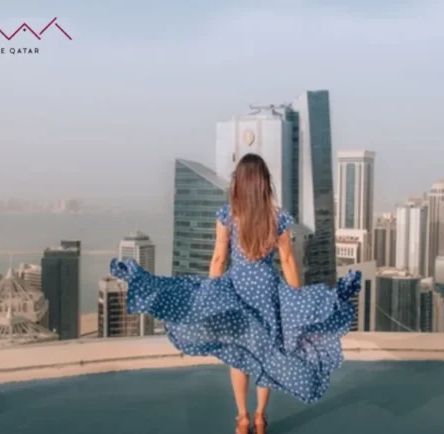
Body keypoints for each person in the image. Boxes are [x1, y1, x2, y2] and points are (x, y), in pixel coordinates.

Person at [110, 153, 361, 434]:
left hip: (237, 292)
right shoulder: (277, 217)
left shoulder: (228, 215)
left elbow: (218, 259)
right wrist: (297, 299)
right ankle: (259, 418)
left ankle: (241, 418)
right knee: (269, 353)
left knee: (239, 352)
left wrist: (208, 298)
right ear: (264, 183)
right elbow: (288, 260)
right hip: (268, 293)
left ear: (238, 183)